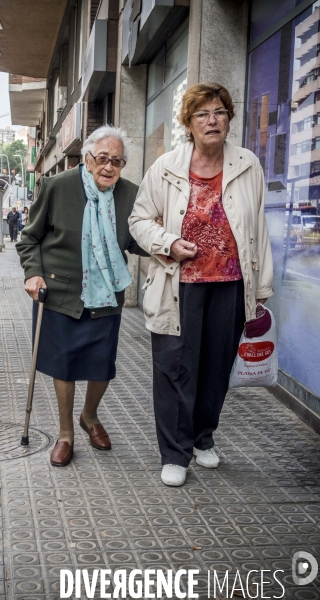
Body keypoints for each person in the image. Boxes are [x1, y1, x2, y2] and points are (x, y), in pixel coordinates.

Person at [129, 82, 273, 487]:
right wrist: (168, 242)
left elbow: (258, 227)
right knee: (175, 367)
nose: (212, 120)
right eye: (202, 114)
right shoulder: (166, 167)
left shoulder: (247, 164)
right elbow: (139, 220)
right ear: (188, 124)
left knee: (214, 368)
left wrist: (261, 288)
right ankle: (175, 452)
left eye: (220, 112)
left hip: (230, 284)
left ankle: (202, 437)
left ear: (229, 119)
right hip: (181, 285)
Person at [17, 125, 148, 467]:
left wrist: (163, 241)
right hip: (60, 291)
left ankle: (89, 416)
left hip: (106, 294)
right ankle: (65, 434)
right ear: (87, 158)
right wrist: (33, 273)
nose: (109, 167)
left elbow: (135, 241)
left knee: (102, 366)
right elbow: (29, 238)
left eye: (117, 162)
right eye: (103, 158)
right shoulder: (57, 187)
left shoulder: (130, 195)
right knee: (65, 366)